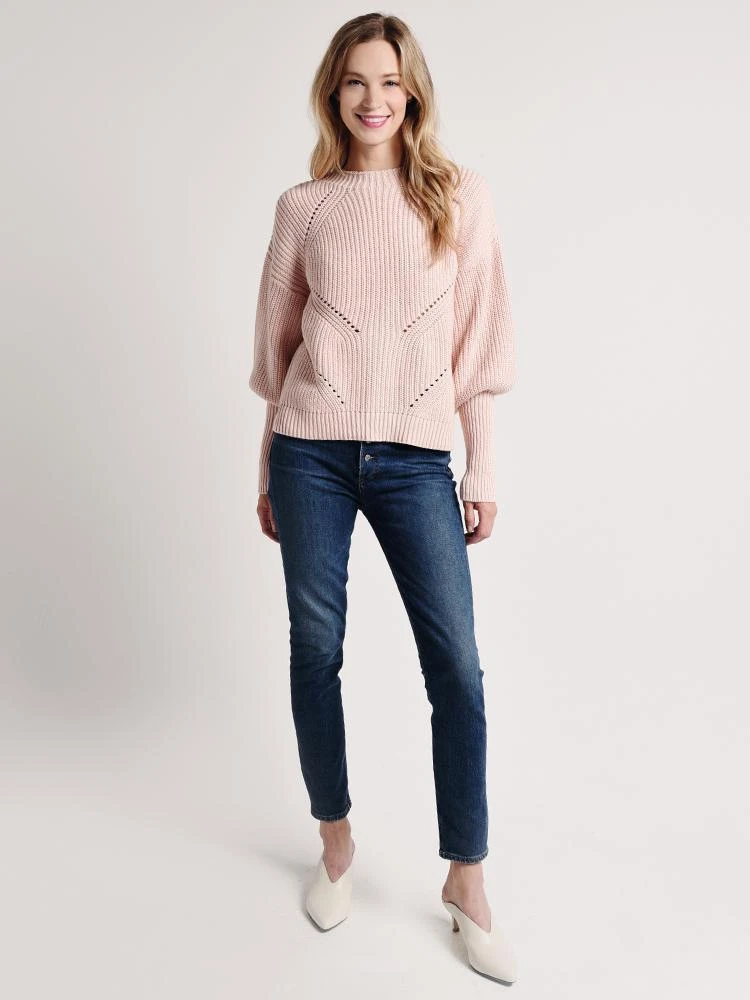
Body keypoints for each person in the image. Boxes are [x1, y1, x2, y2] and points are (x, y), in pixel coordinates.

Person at [248, 12, 518, 985]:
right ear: (335, 91)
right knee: (315, 648)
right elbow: (278, 356)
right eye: (357, 81)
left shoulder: (458, 195)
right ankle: (335, 842)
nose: (375, 99)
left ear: (414, 94)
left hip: (415, 459)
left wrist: (480, 468)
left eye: (391, 82)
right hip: (309, 453)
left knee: (458, 668)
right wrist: (265, 470)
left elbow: (478, 344)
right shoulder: (304, 208)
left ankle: (466, 877)